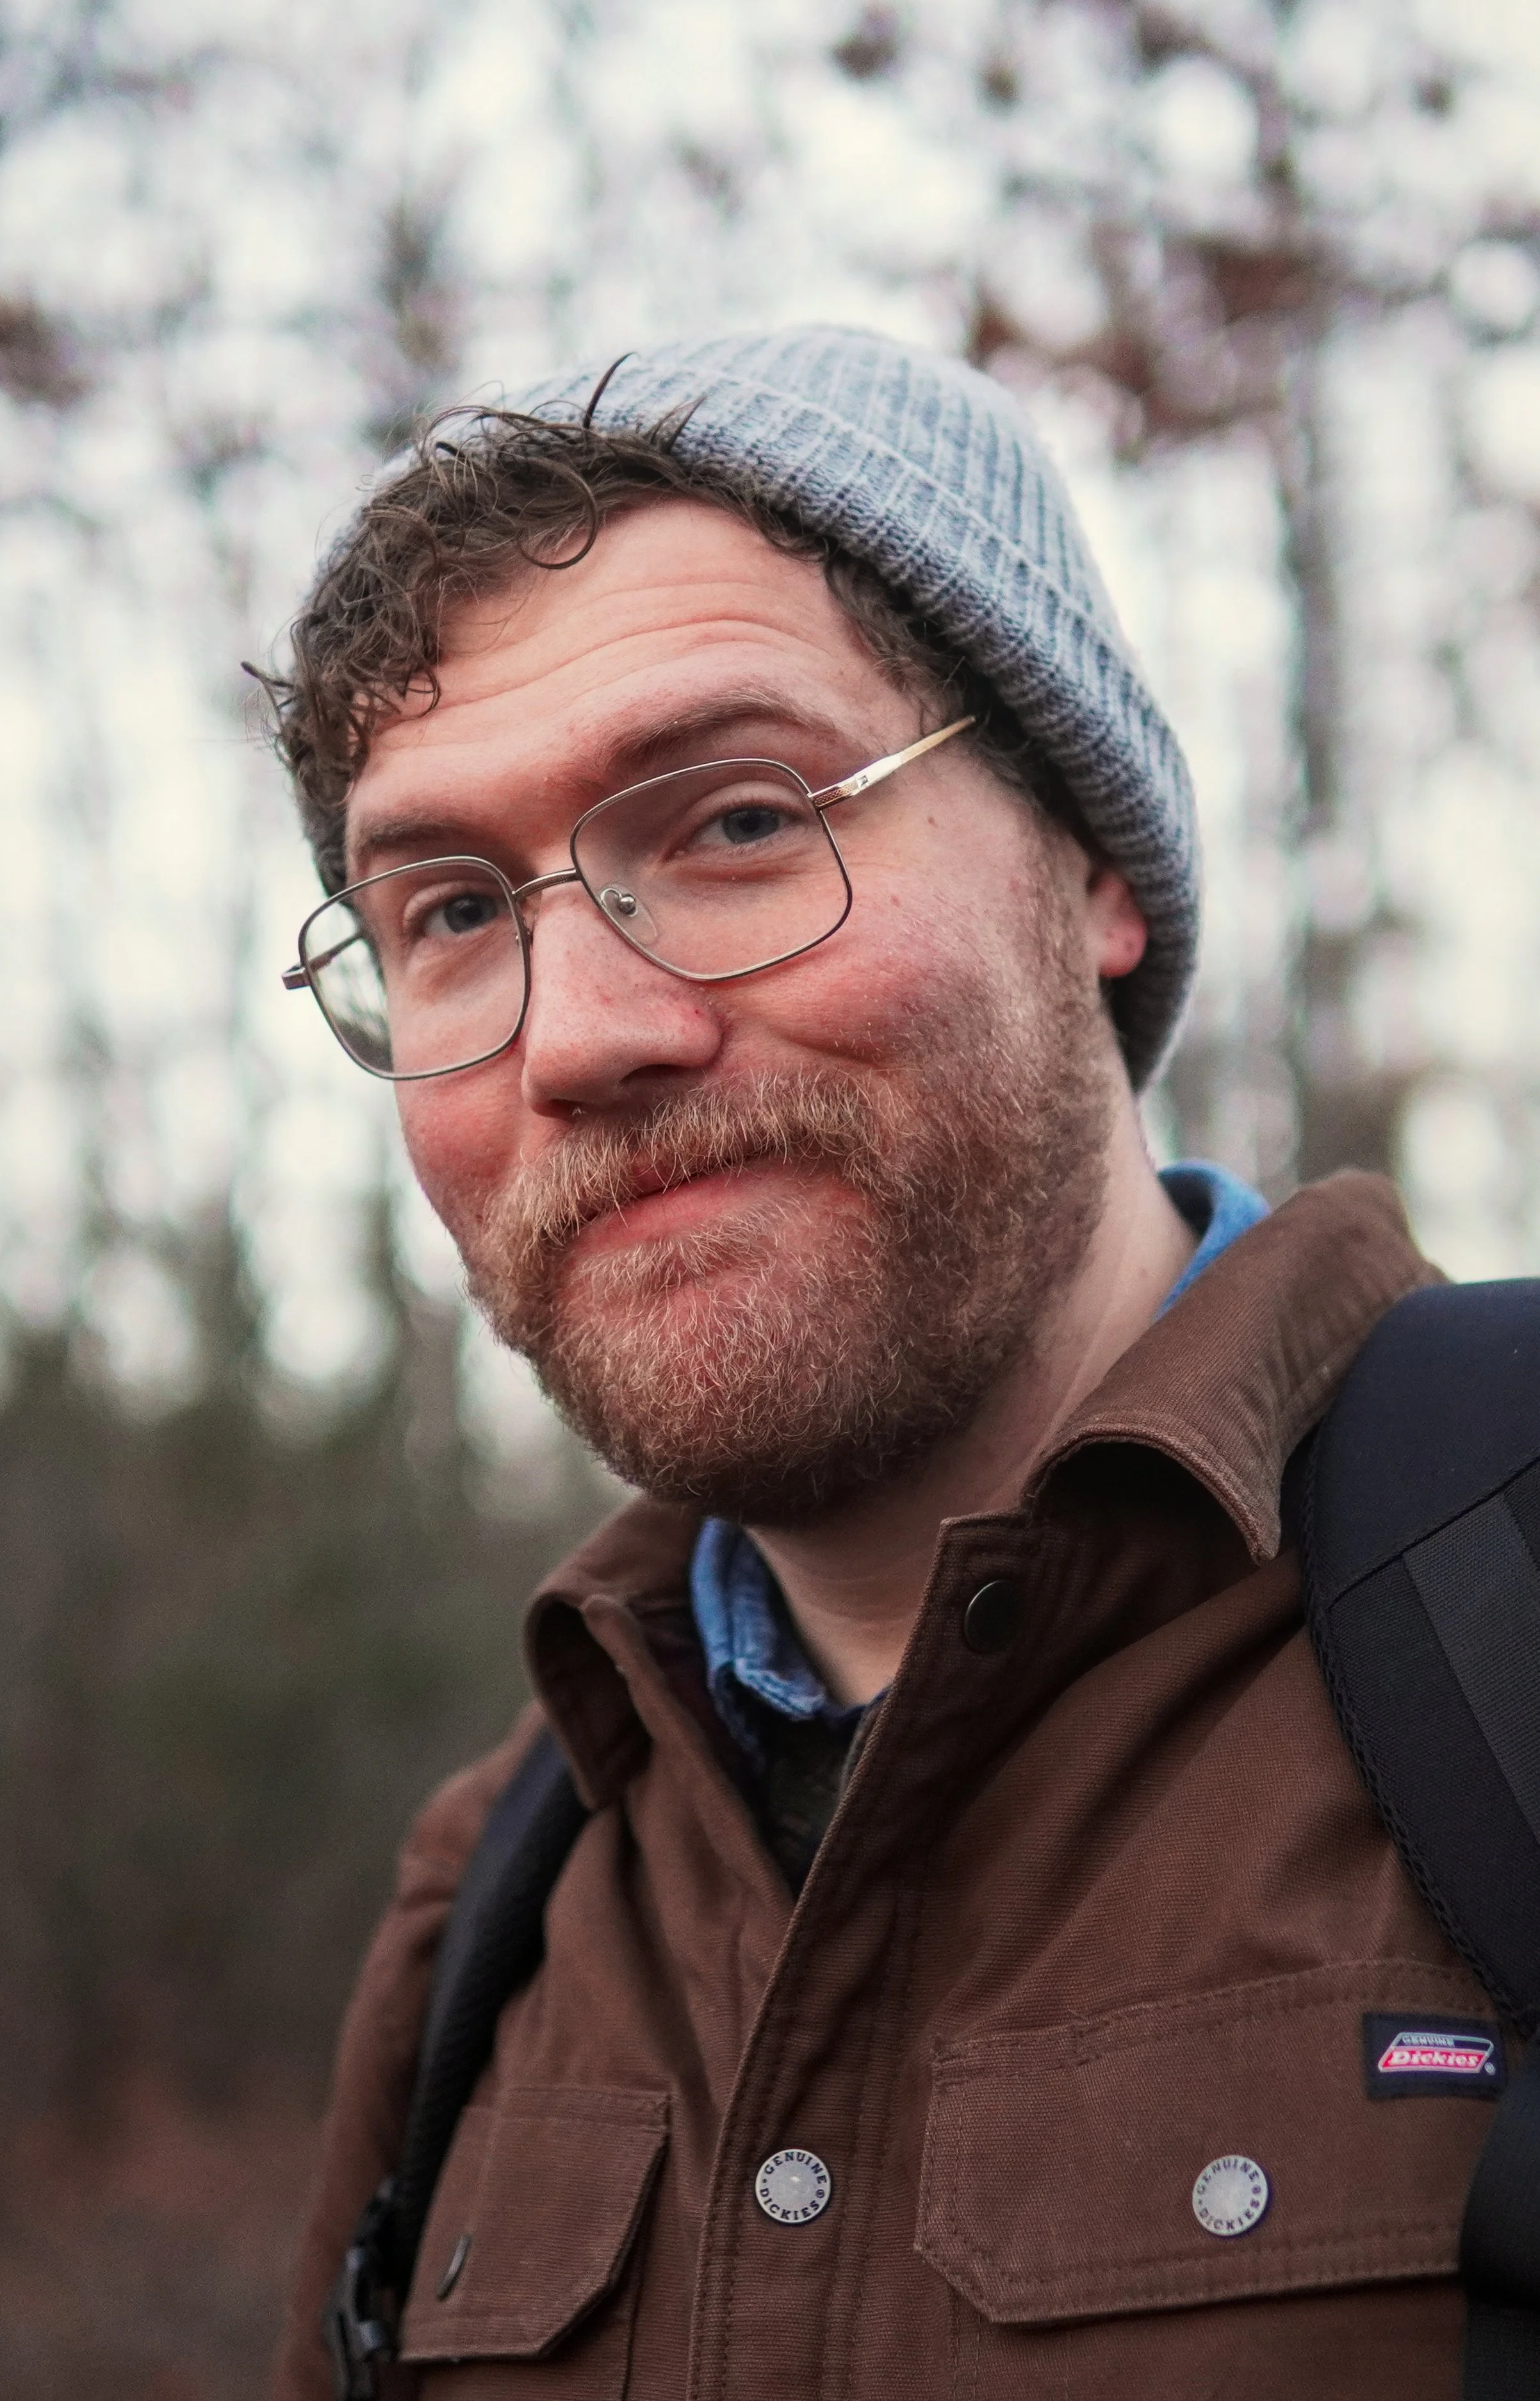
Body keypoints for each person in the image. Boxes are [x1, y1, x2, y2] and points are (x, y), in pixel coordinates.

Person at [266, 329, 1495, 2401]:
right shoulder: (490, 1902)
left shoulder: (1510, 1622)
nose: (578, 1035)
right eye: (453, 908)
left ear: (1089, 868)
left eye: (741, 819)